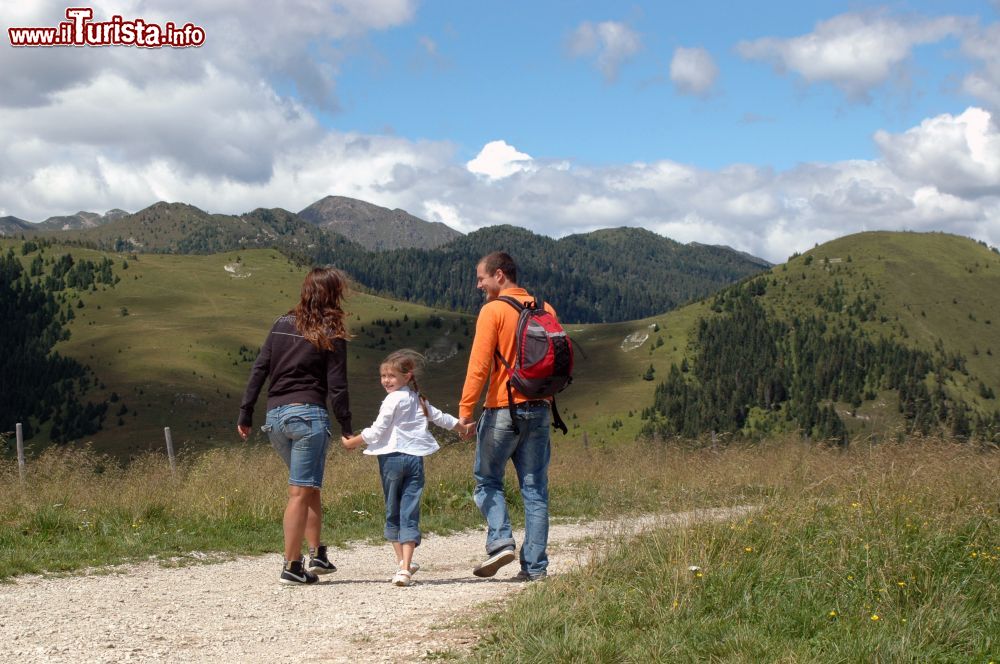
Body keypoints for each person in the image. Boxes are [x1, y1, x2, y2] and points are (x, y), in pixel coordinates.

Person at [237, 266, 353, 586]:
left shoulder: (281, 324)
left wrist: (245, 414)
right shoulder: (332, 330)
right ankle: (291, 564)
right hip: (308, 417)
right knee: (299, 491)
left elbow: (259, 369)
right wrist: (346, 425)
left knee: (308, 485)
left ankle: (317, 554)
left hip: (275, 420)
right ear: (333, 294)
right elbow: (338, 385)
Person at [459, 252, 557, 581]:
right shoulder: (545, 310)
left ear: (500, 276)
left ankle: (501, 541)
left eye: (481, 278)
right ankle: (535, 569)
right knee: (535, 490)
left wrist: (465, 411)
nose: (478, 284)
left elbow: (479, 366)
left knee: (487, 481)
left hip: (503, 408)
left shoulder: (493, 310)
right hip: (541, 408)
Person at [342, 349, 472, 586]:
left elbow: (378, 430)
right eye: (383, 376)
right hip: (415, 460)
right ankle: (406, 566)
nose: (386, 381)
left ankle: (404, 566)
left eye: (391, 376)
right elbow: (441, 418)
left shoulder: (393, 399)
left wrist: (353, 442)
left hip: (391, 459)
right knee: (409, 510)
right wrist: (462, 428)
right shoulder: (419, 399)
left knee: (393, 510)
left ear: (407, 376)